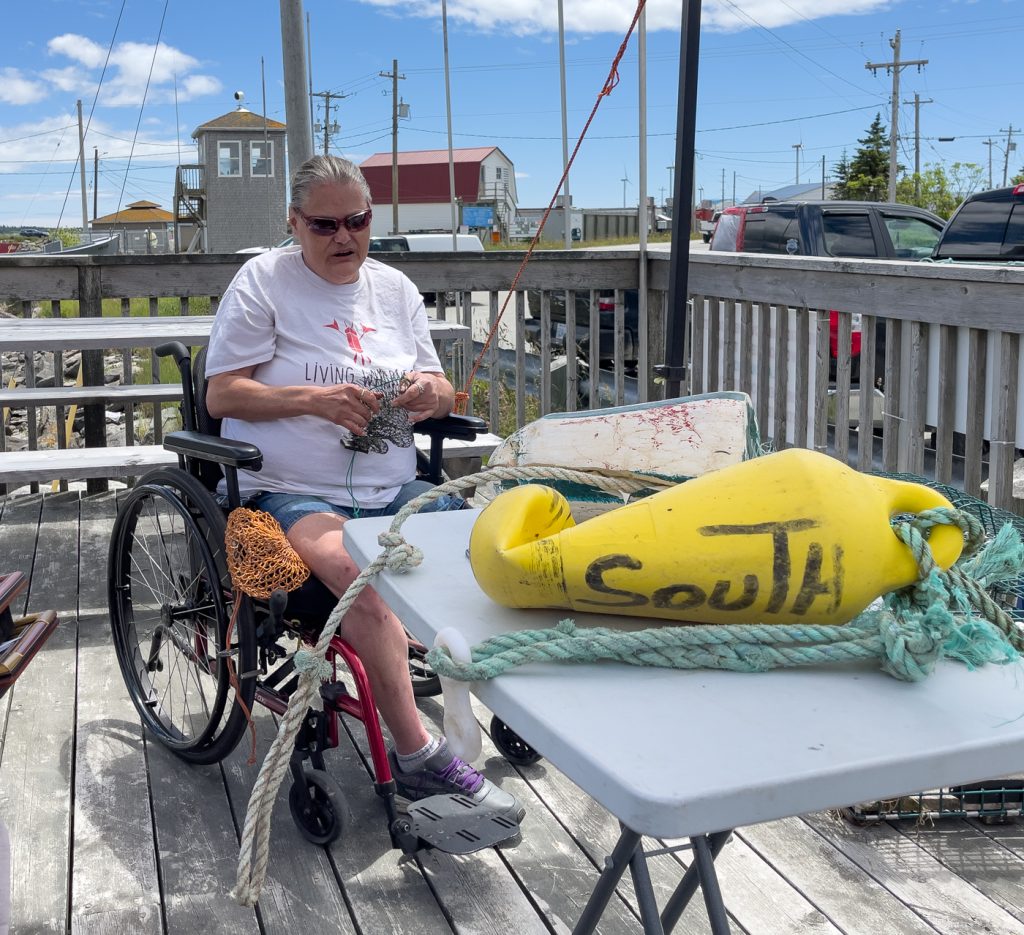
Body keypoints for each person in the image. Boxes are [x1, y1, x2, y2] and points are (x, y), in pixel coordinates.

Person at [204, 154, 522, 823]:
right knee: (360, 571)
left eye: (358, 220)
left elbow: (441, 389)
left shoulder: (395, 290)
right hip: (291, 489)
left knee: (491, 551)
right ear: (293, 222)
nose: (344, 236)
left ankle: (510, 698)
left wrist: (427, 394)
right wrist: (314, 400)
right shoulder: (264, 281)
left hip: (393, 483)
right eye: (324, 224)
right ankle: (416, 756)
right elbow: (221, 393)